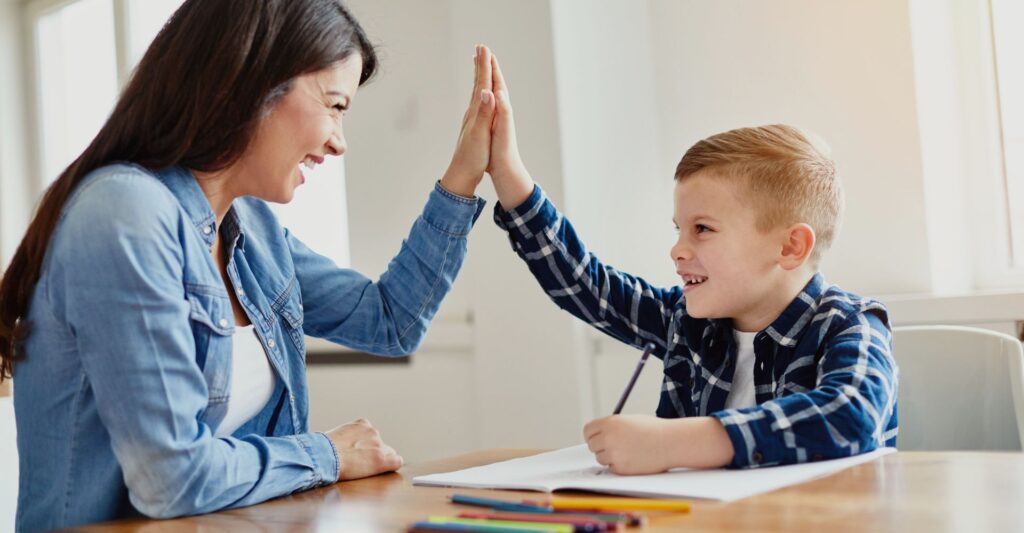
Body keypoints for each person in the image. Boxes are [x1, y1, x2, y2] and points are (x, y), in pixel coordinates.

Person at [0, 1, 501, 530]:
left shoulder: (251, 229)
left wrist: (463, 175)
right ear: (252, 80)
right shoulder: (125, 214)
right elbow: (172, 478)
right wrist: (327, 454)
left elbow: (390, 321)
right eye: (334, 105)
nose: (339, 140)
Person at [481, 55, 898, 474]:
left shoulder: (849, 325)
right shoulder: (687, 320)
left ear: (790, 247)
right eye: (678, 228)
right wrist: (508, 174)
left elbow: (852, 415)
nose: (677, 250)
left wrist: (675, 444)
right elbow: (586, 284)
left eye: (702, 229)